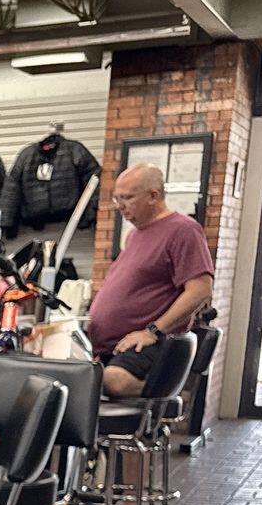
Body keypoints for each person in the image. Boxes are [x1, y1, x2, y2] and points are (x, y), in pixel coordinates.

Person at [88, 163, 213, 398]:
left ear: (153, 196)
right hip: (111, 345)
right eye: (117, 199)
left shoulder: (183, 230)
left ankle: (167, 394)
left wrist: (152, 331)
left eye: (127, 198)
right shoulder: (134, 235)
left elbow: (200, 289)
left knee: (114, 380)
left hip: (148, 342)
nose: (120, 206)